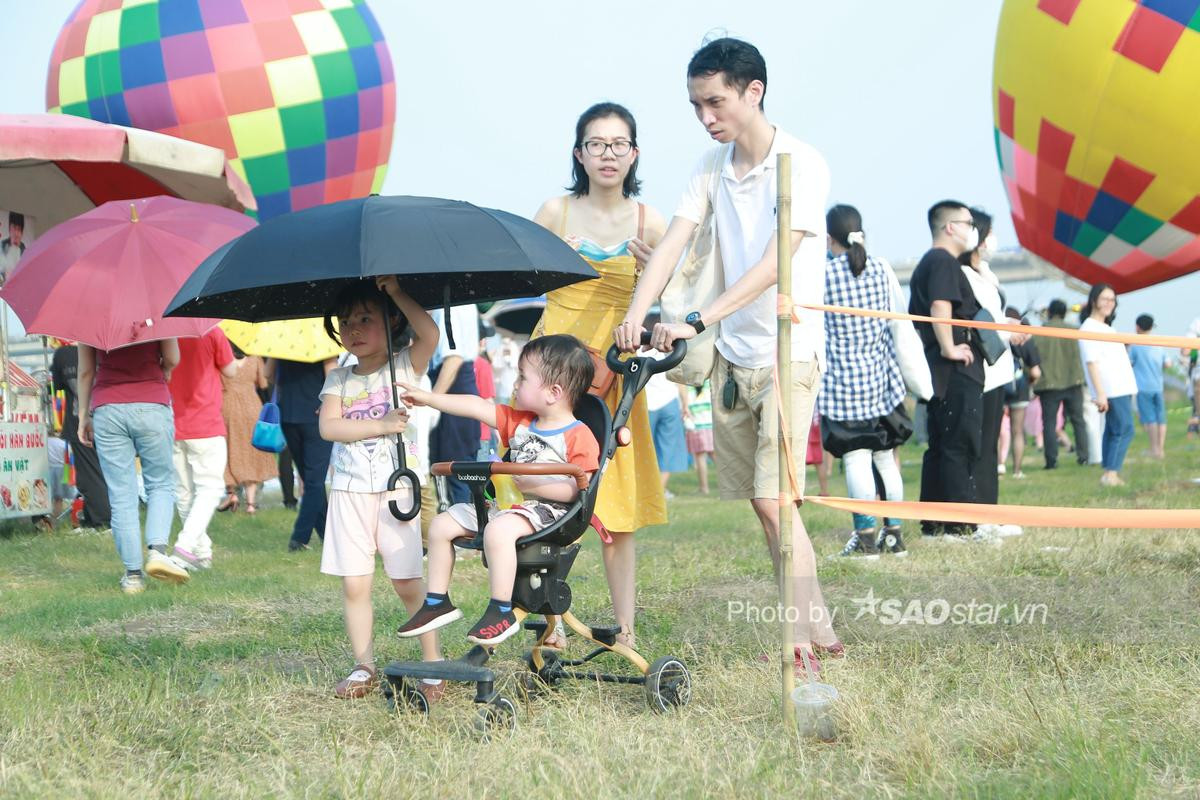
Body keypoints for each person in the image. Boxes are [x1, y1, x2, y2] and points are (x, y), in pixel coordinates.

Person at [615, 37, 840, 673]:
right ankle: (819, 629)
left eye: (715, 102)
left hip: (789, 350)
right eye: (696, 105)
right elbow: (672, 245)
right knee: (765, 508)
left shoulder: (802, 162)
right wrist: (640, 312)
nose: (706, 116)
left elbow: (778, 262)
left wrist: (695, 318)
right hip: (734, 358)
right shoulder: (711, 168)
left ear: (753, 92)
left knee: (776, 501)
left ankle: (799, 643)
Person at [530, 102, 668, 650]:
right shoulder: (553, 211)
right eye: (596, 143)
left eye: (618, 144)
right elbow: (524, 279)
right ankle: (551, 626)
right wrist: (551, 262)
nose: (607, 154)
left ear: (634, 153)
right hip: (554, 366)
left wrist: (650, 273)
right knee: (546, 495)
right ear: (578, 153)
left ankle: (627, 631)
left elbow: (669, 304)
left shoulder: (650, 222)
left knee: (615, 506)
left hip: (614, 372)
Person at [396, 334, 599, 646]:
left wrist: (537, 483)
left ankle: (500, 609)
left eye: (523, 377)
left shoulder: (577, 435)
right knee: (441, 525)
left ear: (553, 392)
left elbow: (578, 492)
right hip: (507, 508)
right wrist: (430, 398)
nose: (515, 383)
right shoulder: (519, 423)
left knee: (498, 531)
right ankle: (437, 602)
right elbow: (476, 405)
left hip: (549, 514)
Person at [317, 278, 445, 700]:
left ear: (390, 322)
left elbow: (431, 334)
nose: (353, 328)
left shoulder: (406, 366)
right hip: (349, 491)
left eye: (365, 319)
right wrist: (381, 424)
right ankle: (363, 665)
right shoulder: (338, 377)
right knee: (355, 584)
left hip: (396, 492)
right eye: (346, 321)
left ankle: (433, 665)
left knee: (408, 582)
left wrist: (396, 293)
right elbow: (328, 427)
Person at [819, 204, 907, 557]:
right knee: (885, 459)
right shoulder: (882, 268)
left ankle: (866, 540)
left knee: (856, 460)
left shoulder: (822, 275)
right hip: (883, 380)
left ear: (829, 238)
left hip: (843, 385)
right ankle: (895, 537)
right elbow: (898, 317)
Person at [76, 339, 191, 593]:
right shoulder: (156, 307)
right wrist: (166, 369)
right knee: (160, 483)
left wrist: (84, 415)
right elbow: (172, 358)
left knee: (121, 494)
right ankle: (158, 553)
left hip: (108, 408)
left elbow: (85, 371)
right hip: (151, 404)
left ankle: (133, 576)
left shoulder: (90, 315)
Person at [908, 200, 985, 537]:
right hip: (952, 368)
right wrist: (949, 346)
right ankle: (958, 525)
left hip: (941, 370)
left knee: (942, 445)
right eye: (969, 223)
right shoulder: (941, 260)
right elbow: (941, 305)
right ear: (950, 227)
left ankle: (935, 523)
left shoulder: (934, 261)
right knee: (958, 443)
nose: (973, 230)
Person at [169, 327, 238, 570]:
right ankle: (184, 546)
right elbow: (230, 371)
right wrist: (238, 362)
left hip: (174, 423)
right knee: (210, 489)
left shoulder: (166, 331)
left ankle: (201, 554)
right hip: (206, 423)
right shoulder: (212, 331)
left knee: (184, 492)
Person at [269, 356, 336, 551]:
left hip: (288, 414)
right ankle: (299, 537)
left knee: (310, 479)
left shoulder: (280, 341)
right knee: (315, 481)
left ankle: (327, 534)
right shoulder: (323, 342)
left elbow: (268, 375)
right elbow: (333, 377)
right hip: (317, 415)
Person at [1078, 284, 1137, 486]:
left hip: (1121, 385)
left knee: (1114, 429)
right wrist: (1100, 392)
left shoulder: (1106, 327)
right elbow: (1091, 362)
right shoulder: (1089, 327)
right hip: (1111, 388)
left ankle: (1108, 473)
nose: (1109, 303)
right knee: (1125, 429)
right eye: (1105, 299)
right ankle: (1111, 472)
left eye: (1112, 299)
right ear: (1094, 300)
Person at [50, 340, 110, 529]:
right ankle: (94, 519)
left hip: (78, 420)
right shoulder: (102, 346)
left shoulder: (62, 354)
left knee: (88, 475)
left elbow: (58, 386)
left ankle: (101, 521)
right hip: (108, 416)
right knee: (106, 472)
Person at [428, 304, 482, 506]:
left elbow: (453, 358)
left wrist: (431, 401)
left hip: (453, 389)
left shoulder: (448, 307)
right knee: (459, 472)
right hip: (456, 389)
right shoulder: (462, 305)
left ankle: (467, 533)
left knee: (456, 471)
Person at [220, 346, 279, 513]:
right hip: (251, 406)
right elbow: (263, 382)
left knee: (230, 450)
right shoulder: (255, 358)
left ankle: (232, 494)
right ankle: (251, 504)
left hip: (227, 407)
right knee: (251, 454)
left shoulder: (222, 358)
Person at [1032, 299, 1090, 469]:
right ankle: (1083, 456)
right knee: (1078, 420)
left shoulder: (1039, 333)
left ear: (1049, 312)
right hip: (1073, 381)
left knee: (1049, 424)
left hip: (1048, 384)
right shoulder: (1075, 331)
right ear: (1065, 313)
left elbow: (1032, 359)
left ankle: (1051, 461)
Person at [998, 307, 1041, 478]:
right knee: (1017, 431)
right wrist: (1029, 383)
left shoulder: (998, 333)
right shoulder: (1025, 337)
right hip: (1020, 387)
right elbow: (1036, 372)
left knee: (995, 430)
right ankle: (1017, 470)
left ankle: (997, 466)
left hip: (999, 384)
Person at [1130, 314, 1170, 459]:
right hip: (1158, 386)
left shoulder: (1135, 344)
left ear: (1138, 327)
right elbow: (1167, 363)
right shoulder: (1158, 342)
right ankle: (1161, 449)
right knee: (1161, 418)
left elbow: (1130, 362)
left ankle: (1154, 449)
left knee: (1150, 419)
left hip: (1143, 387)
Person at [645, 369, 688, 498]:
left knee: (643, 450)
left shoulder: (637, 349)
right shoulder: (671, 349)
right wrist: (685, 403)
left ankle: (646, 489)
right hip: (669, 400)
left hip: (646, 402)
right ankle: (658, 491)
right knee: (668, 449)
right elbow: (680, 378)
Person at [683, 380, 715, 494]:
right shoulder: (708, 383)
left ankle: (704, 487)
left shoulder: (688, 386)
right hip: (711, 424)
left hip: (696, 425)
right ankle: (731, 484)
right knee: (715, 455)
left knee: (700, 457)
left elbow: (686, 406)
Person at [0, 211, 26, 284]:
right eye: (14, 228)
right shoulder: (2, 246)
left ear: (22, 232)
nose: (16, 233)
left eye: (19, 229)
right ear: (9, 229)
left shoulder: (24, 251)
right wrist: (4, 274)